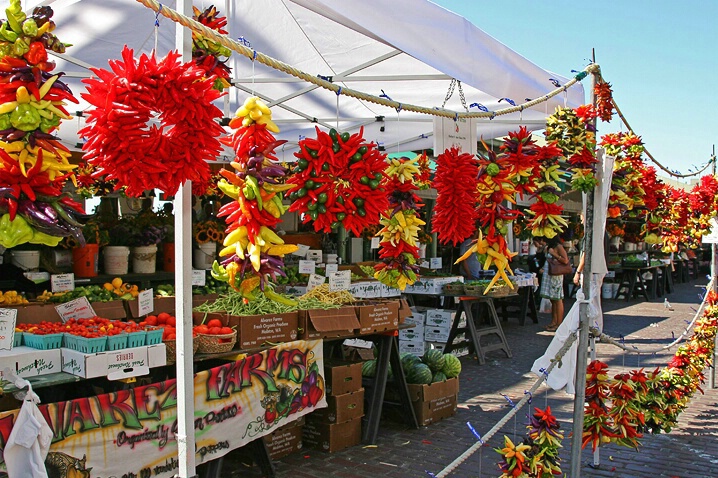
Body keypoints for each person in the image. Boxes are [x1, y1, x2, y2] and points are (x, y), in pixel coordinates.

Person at [539, 236, 570, 331]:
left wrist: (554, 254)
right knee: (553, 300)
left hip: (556, 276)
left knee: (557, 299)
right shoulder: (549, 246)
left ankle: (559, 324)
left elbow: (565, 260)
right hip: (549, 275)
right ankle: (553, 321)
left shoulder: (558, 246)